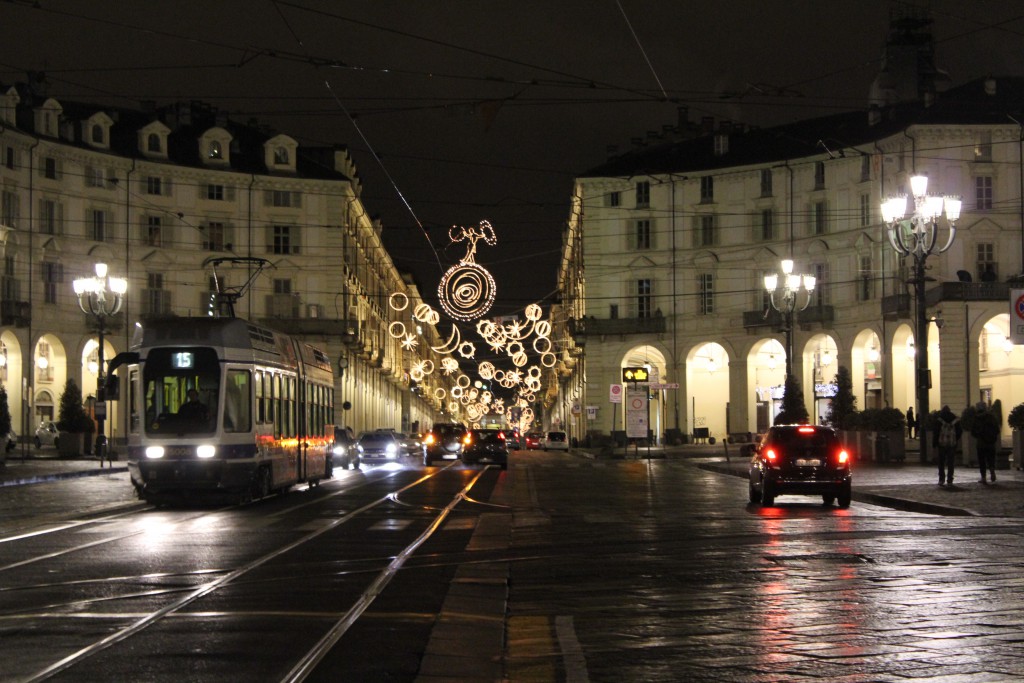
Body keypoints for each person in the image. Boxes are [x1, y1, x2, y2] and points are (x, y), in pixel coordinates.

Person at [933, 405, 961, 487]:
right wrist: (955, 439)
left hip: (942, 444)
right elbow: (959, 431)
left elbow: (936, 432)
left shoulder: (939, 420)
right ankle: (950, 479)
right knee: (950, 462)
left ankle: (941, 479)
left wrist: (935, 443)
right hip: (952, 444)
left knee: (941, 462)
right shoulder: (955, 419)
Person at [972, 405, 1000, 483]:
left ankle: (983, 477)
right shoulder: (992, 418)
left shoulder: (977, 418)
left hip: (981, 443)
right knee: (991, 458)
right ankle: (992, 470)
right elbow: (997, 430)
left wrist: (978, 435)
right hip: (991, 443)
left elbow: (973, 431)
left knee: (982, 460)